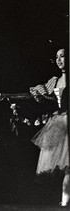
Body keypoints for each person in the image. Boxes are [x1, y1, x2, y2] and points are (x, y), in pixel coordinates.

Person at [31, 47, 69, 206]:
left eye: (63, 56)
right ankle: (64, 201)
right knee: (66, 164)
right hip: (61, 121)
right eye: (57, 57)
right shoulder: (56, 80)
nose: (59, 60)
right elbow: (46, 97)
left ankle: (65, 201)